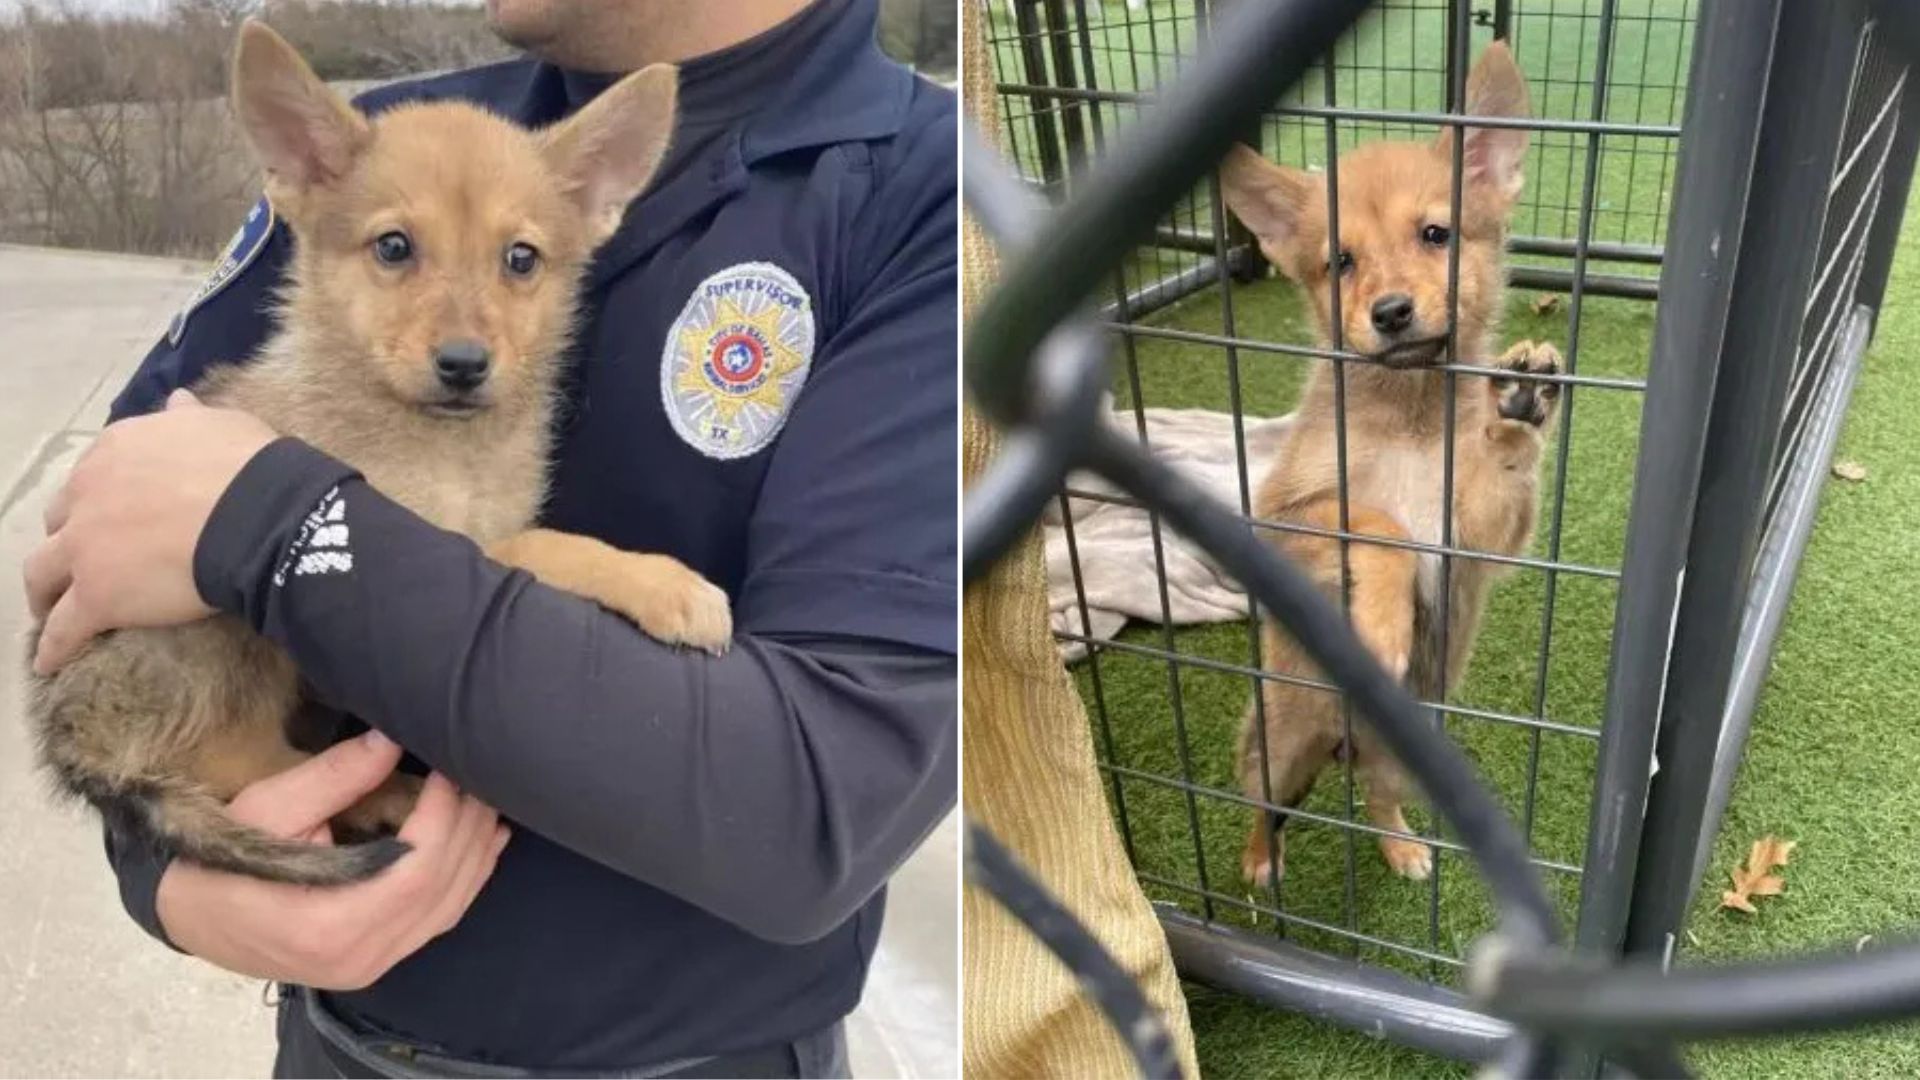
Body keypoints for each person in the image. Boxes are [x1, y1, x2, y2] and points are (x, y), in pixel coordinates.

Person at [20, 0, 957, 1076]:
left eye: (520, 260)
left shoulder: (930, 200)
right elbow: (101, 594)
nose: (463, 319)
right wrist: (179, 888)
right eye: (398, 252)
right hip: (337, 1044)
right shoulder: (392, 134)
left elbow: (816, 818)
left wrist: (275, 523)